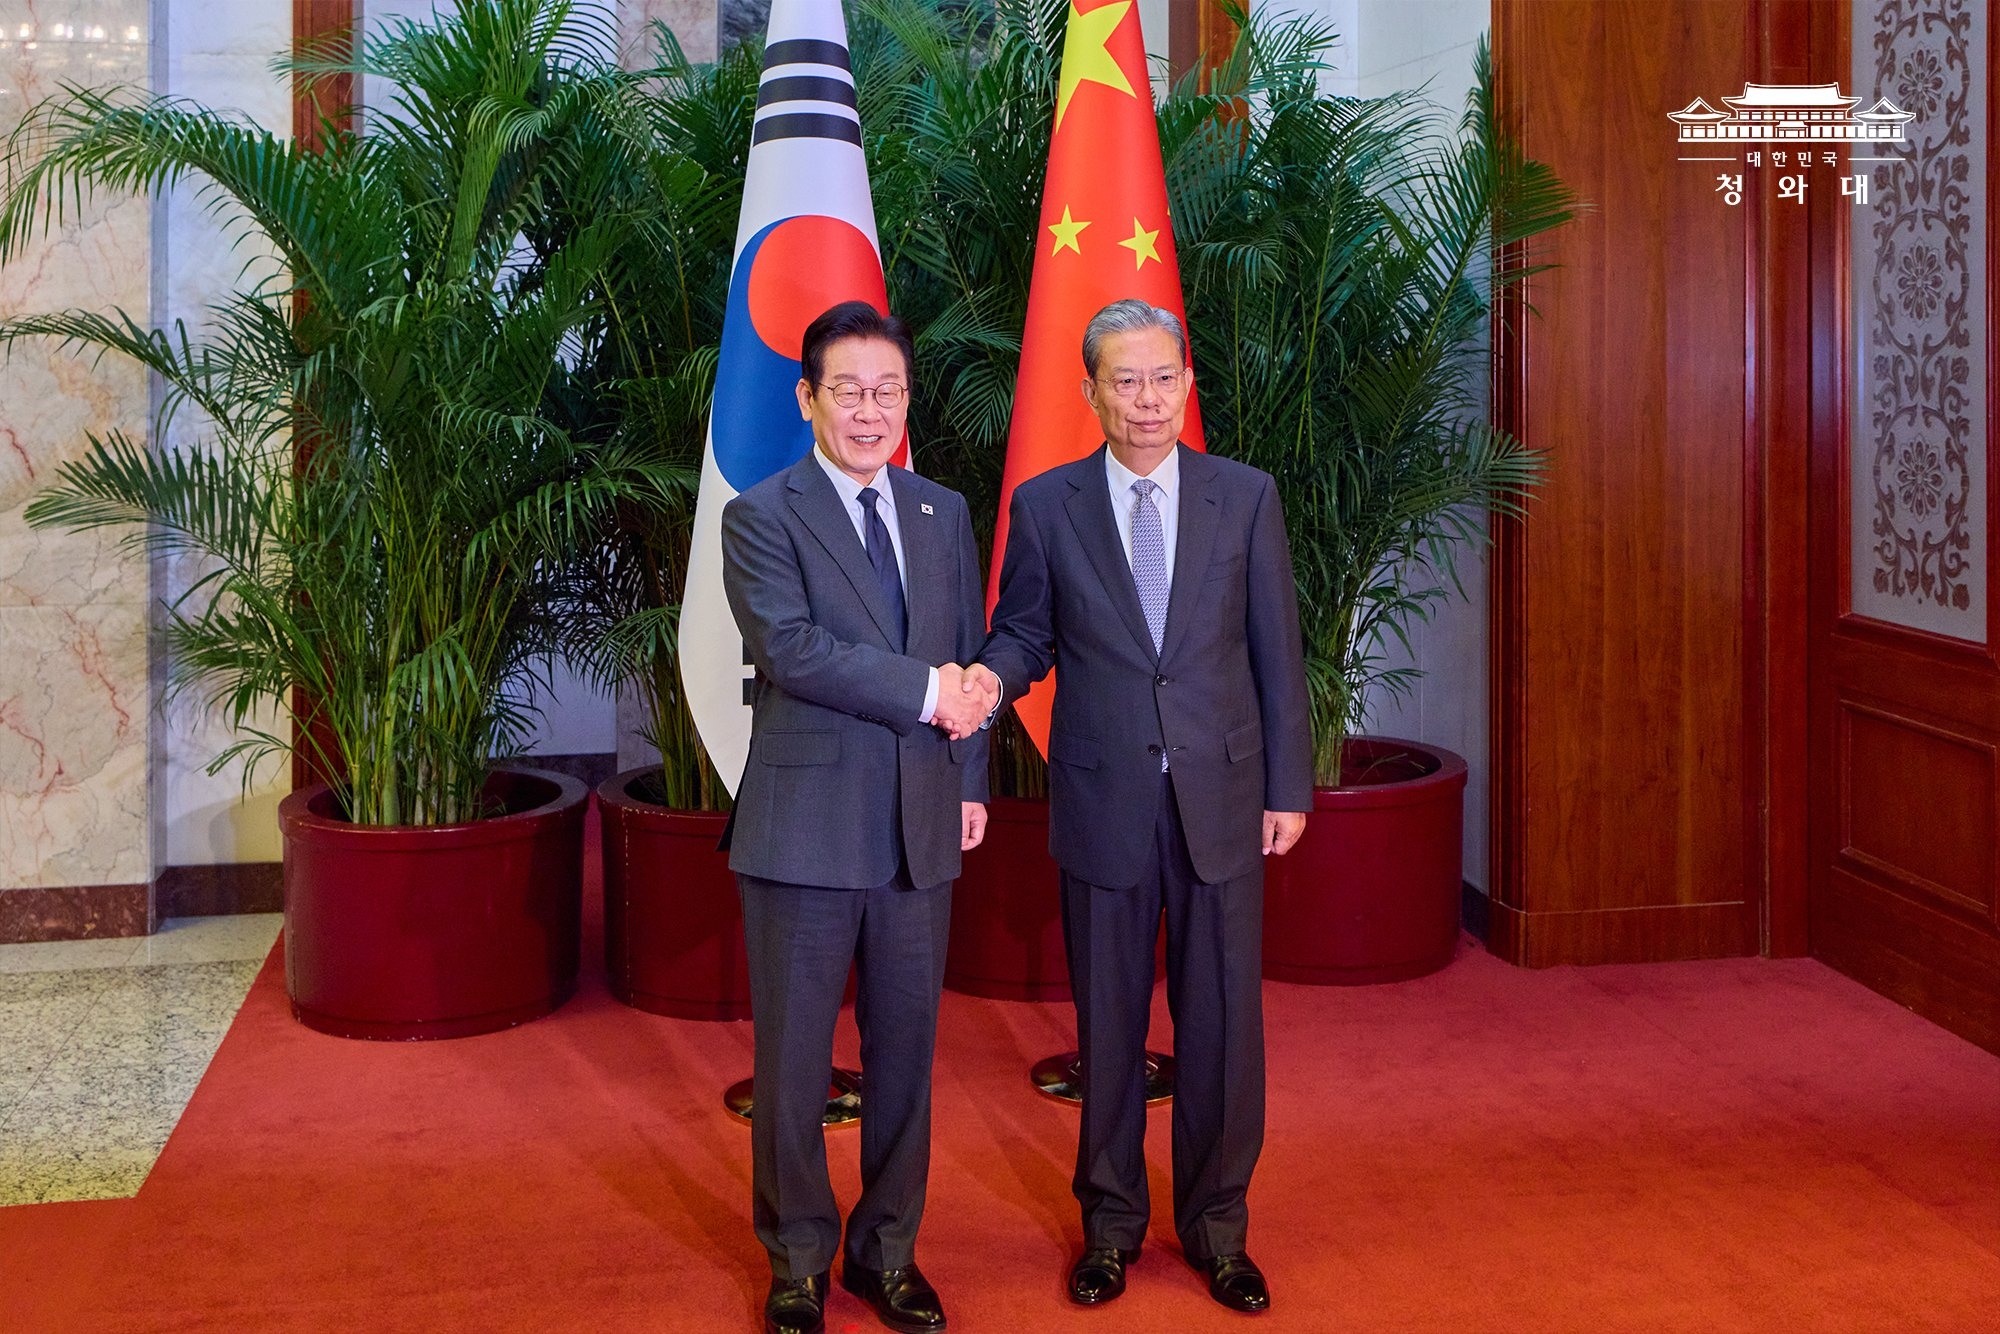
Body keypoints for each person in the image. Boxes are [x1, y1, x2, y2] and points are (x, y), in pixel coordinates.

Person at [971, 297, 1312, 1315]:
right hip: (1102, 795)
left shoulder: (1243, 497)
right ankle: (1108, 1228)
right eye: (1125, 380)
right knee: (1108, 1029)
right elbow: (1023, 635)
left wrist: (1287, 785)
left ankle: (1218, 1228)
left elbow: (1273, 652)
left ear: (1186, 384)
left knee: (1219, 1027)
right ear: (1089, 391)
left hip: (1222, 794)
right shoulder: (1045, 505)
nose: (1147, 399)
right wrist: (984, 681)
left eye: (1163, 377)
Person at [721, 300, 998, 1334]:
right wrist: (933, 695)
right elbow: (793, 651)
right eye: (847, 389)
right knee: (794, 1065)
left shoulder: (941, 512)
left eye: (887, 390)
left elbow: (967, 652)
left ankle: (888, 1251)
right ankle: (797, 1257)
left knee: (907, 1058)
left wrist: (967, 775)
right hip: (804, 830)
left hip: (919, 826)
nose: (869, 410)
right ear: (807, 399)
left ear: (906, 401)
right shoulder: (760, 514)